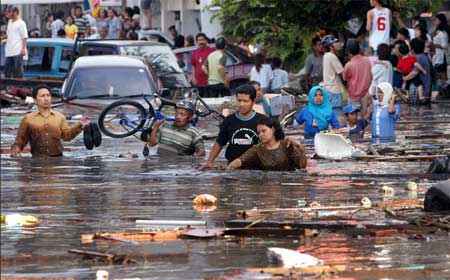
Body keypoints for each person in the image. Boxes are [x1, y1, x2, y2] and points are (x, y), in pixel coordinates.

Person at [198, 85, 267, 170]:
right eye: (239, 100)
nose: (241, 104)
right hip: (232, 167)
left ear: (253, 102)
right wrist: (209, 162)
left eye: (245, 101)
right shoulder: (229, 121)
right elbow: (220, 142)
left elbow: (272, 142)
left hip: (255, 167)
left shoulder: (262, 121)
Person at [11, 85, 90, 157]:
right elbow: (21, 139)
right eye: (42, 96)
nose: (46, 98)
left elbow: (67, 136)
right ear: (35, 100)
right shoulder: (28, 119)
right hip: (37, 161)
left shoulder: (60, 117)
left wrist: (80, 124)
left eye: (48, 95)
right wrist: (16, 148)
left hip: (58, 159)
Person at [227, 117, 307, 171]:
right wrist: (228, 169)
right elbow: (240, 160)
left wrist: (302, 150)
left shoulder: (287, 144)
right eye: (259, 132)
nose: (261, 135)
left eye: (264, 131)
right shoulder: (257, 149)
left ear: (273, 129)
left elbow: (302, 167)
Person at [343, 39, 373, 116]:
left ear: (348, 51)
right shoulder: (367, 60)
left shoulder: (349, 65)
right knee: (365, 119)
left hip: (354, 95)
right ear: (359, 48)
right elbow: (370, 76)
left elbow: (345, 78)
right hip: (365, 93)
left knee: (353, 120)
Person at [321, 35, 345, 117]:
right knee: (337, 113)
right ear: (330, 46)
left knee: (331, 112)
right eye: (335, 42)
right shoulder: (332, 56)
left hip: (328, 88)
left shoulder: (326, 56)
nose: (338, 44)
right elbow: (342, 73)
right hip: (334, 89)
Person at [401, 39, 430, 103]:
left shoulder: (417, 58)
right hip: (426, 89)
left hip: (420, 90)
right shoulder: (424, 56)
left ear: (413, 50)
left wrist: (404, 78)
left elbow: (414, 73)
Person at [2, 5, 28, 79]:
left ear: (15, 12)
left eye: (9, 12)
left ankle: (18, 89)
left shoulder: (21, 23)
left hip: (17, 52)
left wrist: (23, 49)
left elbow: (24, 37)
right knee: (7, 72)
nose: (7, 14)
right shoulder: (10, 22)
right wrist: (2, 39)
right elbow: (9, 35)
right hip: (9, 52)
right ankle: (7, 88)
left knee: (17, 74)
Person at [190, 33, 214, 97]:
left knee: (209, 100)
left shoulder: (211, 51)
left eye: (202, 40)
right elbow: (193, 65)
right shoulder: (195, 52)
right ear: (197, 42)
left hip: (208, 82)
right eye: (199, 40)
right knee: (200, 101)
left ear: (206, 40)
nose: (201, 42)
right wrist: (193, 77)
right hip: (198, 82)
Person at [432, 14, 449, 82]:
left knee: (443, 76)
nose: (434, 22)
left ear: (441, 21)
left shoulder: (443, 32)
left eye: (436, 20)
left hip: (442, 57)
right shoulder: (438, 31)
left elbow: (444, 45)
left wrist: (433, 45)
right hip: (437, 56)